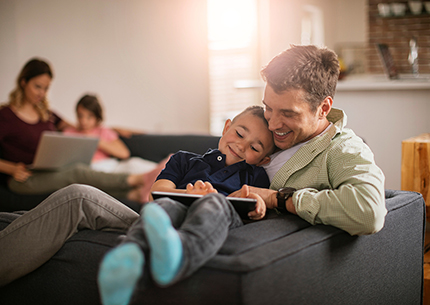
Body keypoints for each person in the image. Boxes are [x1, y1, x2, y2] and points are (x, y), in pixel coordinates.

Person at [0, 105, 275, 290]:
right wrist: (189, 193)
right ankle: (129, 255)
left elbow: (253, 208)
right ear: (226, 127)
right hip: (163, 214)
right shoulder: (183, 160)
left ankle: (173, 257)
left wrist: (255, 204)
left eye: (254, 147)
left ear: (263, 159)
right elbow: (157, 196)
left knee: (212, 202)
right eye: (239, 134)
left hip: (208, 221)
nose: (241, 146)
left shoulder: (254, 177)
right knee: (77, 195)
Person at [0, 58, 154, 200]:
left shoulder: (47, 114)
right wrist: (12, 169)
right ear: (23, 82)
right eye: (37, 87)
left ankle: (136, 194)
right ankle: (139, 178)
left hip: (46, 171)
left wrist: (110, 128)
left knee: (79, 186)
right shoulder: (5, 115)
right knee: (76, 172)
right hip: (23, 178)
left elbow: (79, 128)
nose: (42, 93)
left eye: (46, 88)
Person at [63, 94, 169, 201]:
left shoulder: (103, 131)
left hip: (113, 166)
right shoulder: (69, 133)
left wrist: (96, 140)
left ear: (97, 117)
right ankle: (145, 188)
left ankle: (170, 169)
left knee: (134, 164)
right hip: (93, 171)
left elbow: (124, 153)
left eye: (89, 117)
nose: (83, 121)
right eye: (80, 116)